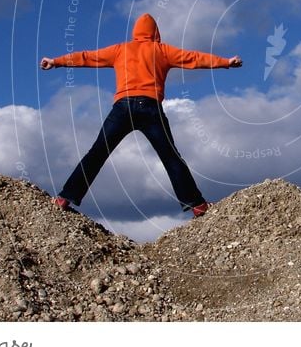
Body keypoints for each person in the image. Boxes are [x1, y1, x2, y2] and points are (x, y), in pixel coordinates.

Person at [40, 13, 242, 217]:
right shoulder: (162, 50)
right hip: (150, 109)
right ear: (156, 33)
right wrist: (226, 62)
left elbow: (87, 57)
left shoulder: (120, 50)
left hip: (122, 108)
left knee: (97, 153)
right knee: (171, 157)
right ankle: (197, 205)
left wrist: (56, 61)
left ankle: (65, 197)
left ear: (135, 32)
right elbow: (194, 58)